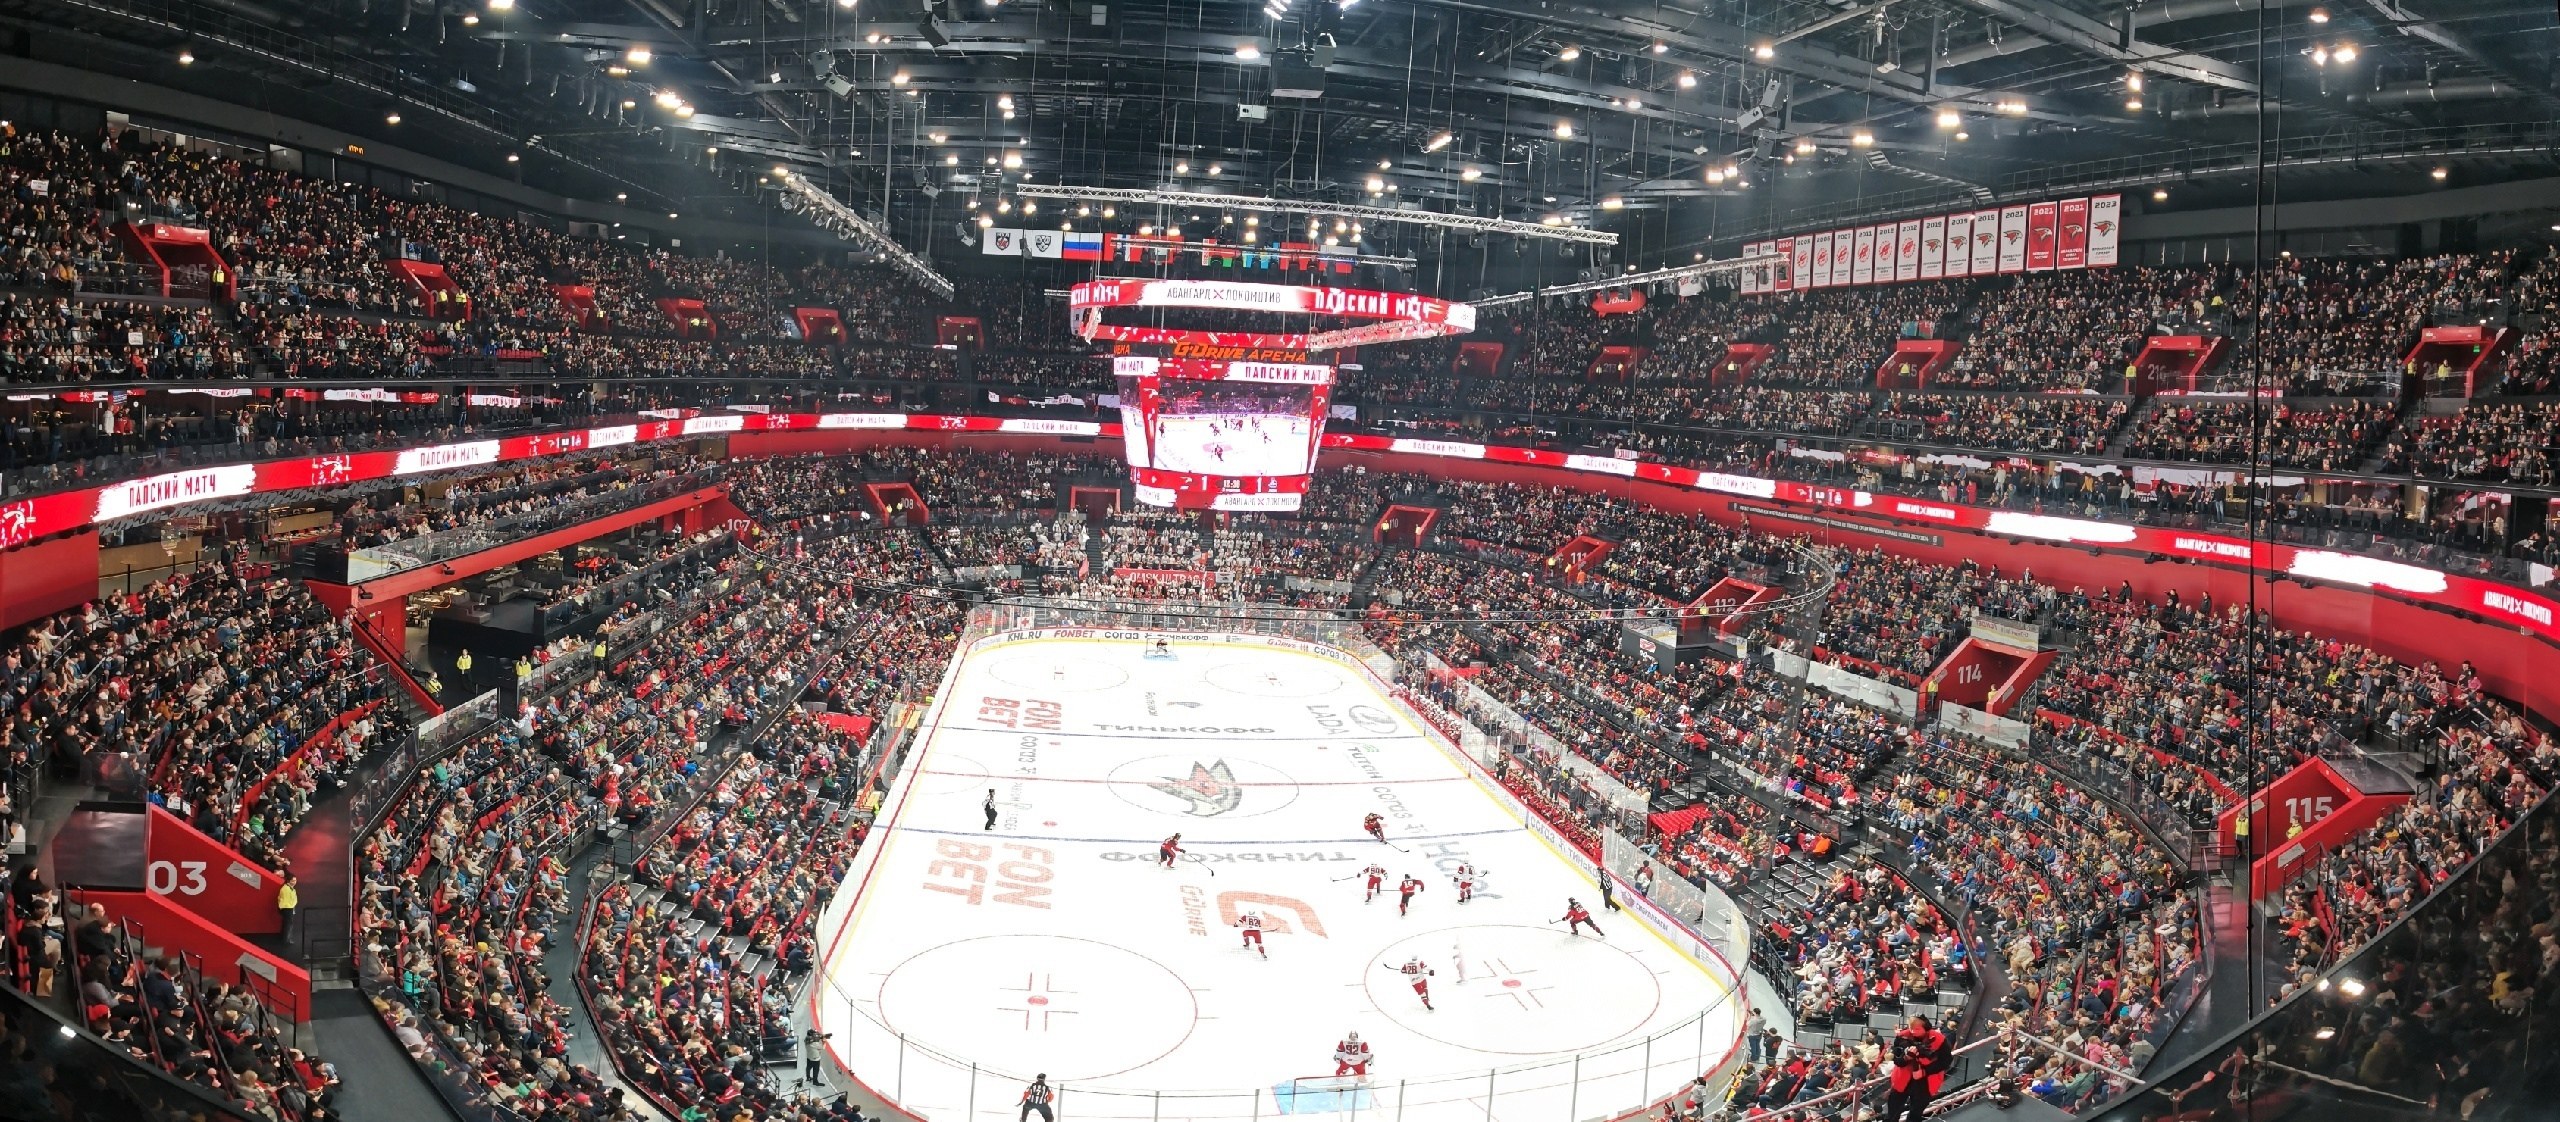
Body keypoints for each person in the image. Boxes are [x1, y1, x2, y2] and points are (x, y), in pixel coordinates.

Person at [275, 872, 299, 941]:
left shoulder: (291, 889)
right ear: (288, 881)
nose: (294, 882)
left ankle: (285, 939)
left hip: (289, 908)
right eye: (293, 881)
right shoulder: (286, 889)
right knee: (288, 925)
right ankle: (286, 940)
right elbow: (288, 900)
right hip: (287, 908)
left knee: (287, 924)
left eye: (295, 880)